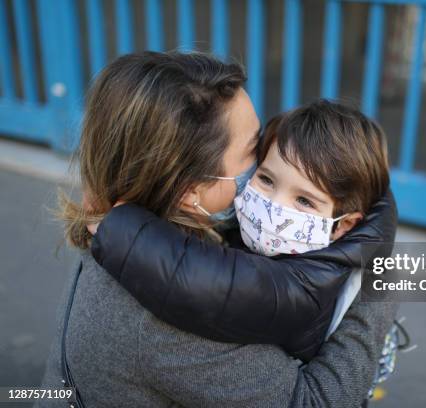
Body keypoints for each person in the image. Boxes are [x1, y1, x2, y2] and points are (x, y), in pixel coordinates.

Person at [37, 51, 397, 407]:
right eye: (253, 152)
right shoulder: (174, 314)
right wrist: (375, 282)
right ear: (190, 190)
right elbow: (311, 401)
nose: (262, 167)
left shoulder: (125, 227)